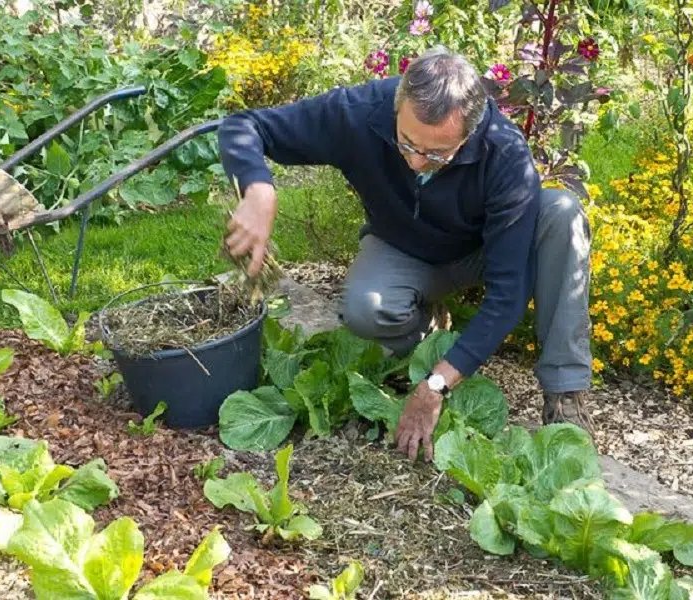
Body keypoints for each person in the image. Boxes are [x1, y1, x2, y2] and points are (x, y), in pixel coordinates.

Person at [217, 46, 595, 462]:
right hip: (403, 247)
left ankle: (564, 392)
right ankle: (425, 329)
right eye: (406, 142)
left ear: (470, 132)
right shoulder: (358, 112)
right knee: (366, 309)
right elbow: (244, 125)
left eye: (437, 155)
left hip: (484, 251)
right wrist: (259, 188)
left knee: (561, 213)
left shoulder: (504, 153)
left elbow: (507, 296)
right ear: (397, 106)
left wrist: (435, 386)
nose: (416, 162)